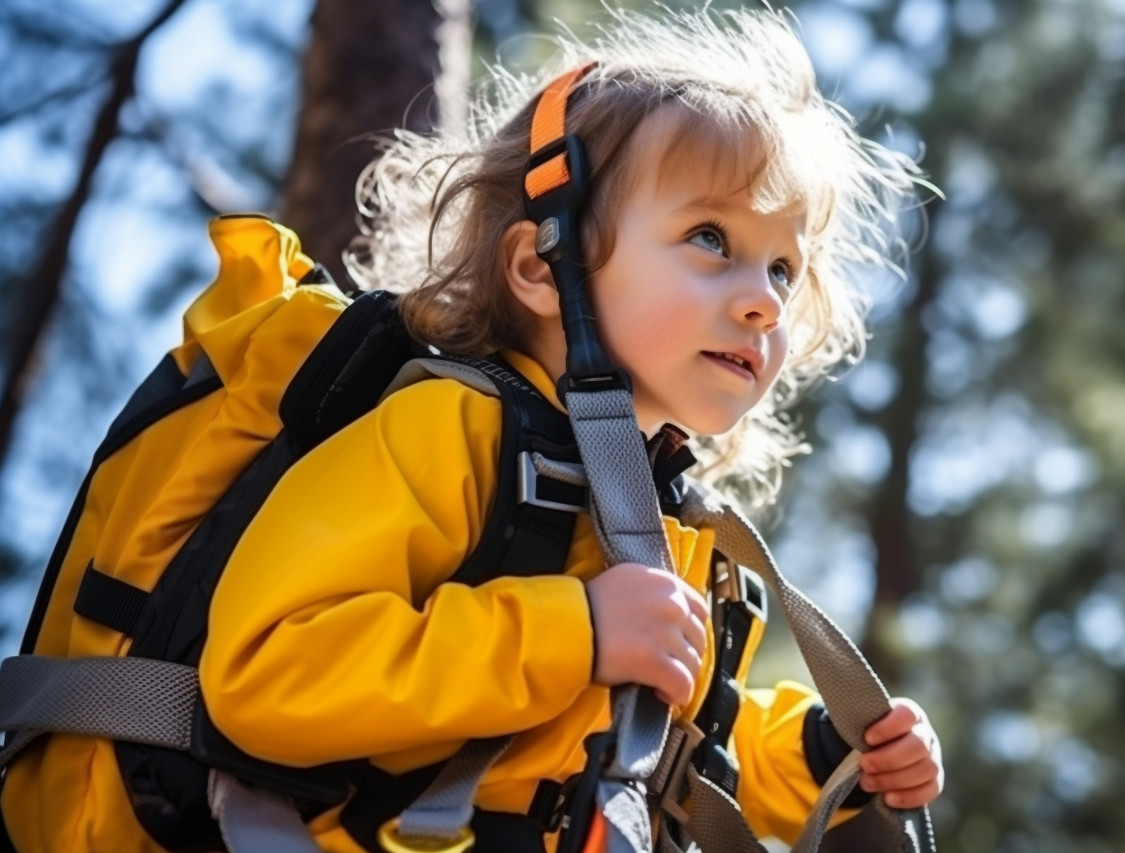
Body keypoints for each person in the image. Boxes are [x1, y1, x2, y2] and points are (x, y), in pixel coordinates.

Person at [198, 7, 944, 853]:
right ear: (539, 267)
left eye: (782, 266)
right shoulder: (450, 429)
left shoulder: (672, 534)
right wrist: (575, 631)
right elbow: (266, 669)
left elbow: (691, 747)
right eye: (710, 237)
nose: (767, 300)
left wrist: (832, 754)